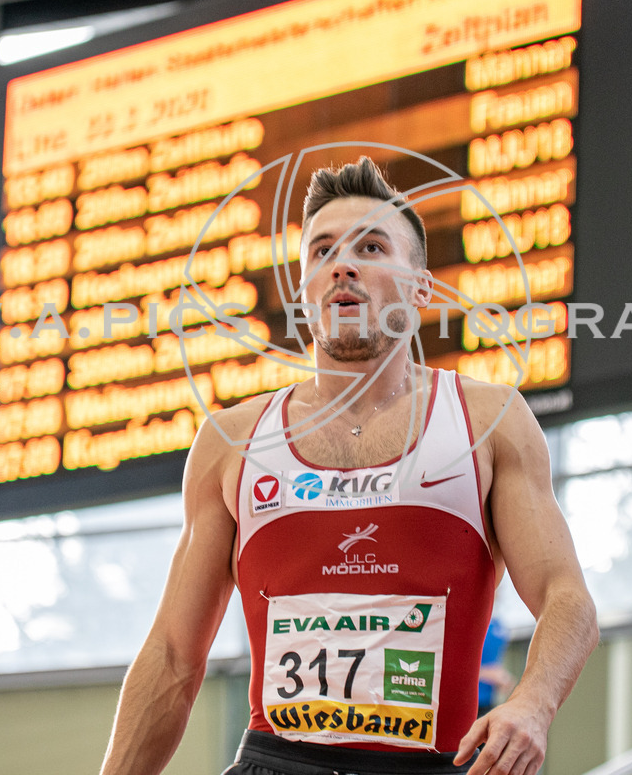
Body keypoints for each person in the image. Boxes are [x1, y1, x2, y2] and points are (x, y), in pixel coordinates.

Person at [99, 156, 598, 775]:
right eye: (323, 251)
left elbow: (566, 597)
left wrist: (534, 703)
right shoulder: (232, 441)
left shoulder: (488, 420)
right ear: (304, 292)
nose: (343, 264)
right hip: (276, 763)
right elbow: (174, 656)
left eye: (371, 247)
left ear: (420, 288)